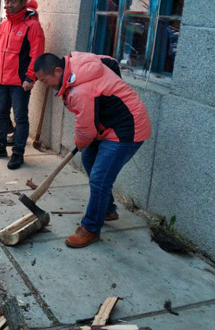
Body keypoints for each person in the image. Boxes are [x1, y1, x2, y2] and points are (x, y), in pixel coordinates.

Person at [33, 52, 151, 248]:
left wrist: (80, 142)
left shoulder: (80, 90)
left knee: (99, 178)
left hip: (127, 129)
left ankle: (90, 228)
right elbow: (111, 62)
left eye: (45, 80)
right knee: (88, 158)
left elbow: (86, 130)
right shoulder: (77, 61)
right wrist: (109, 97)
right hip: (107, 126)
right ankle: (107, 209)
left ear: (58, 70)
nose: (45, 85)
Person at [0, 0, 45, 169]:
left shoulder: (32, 26)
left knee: (20, 118)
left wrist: (30, 78)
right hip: (2, 80)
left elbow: (36, 54)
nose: (8, 5)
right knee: (1, 114)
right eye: (6, 1)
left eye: (13, 1)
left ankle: (18, 153)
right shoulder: (5, 24)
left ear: (23, 2)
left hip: (19, 83)